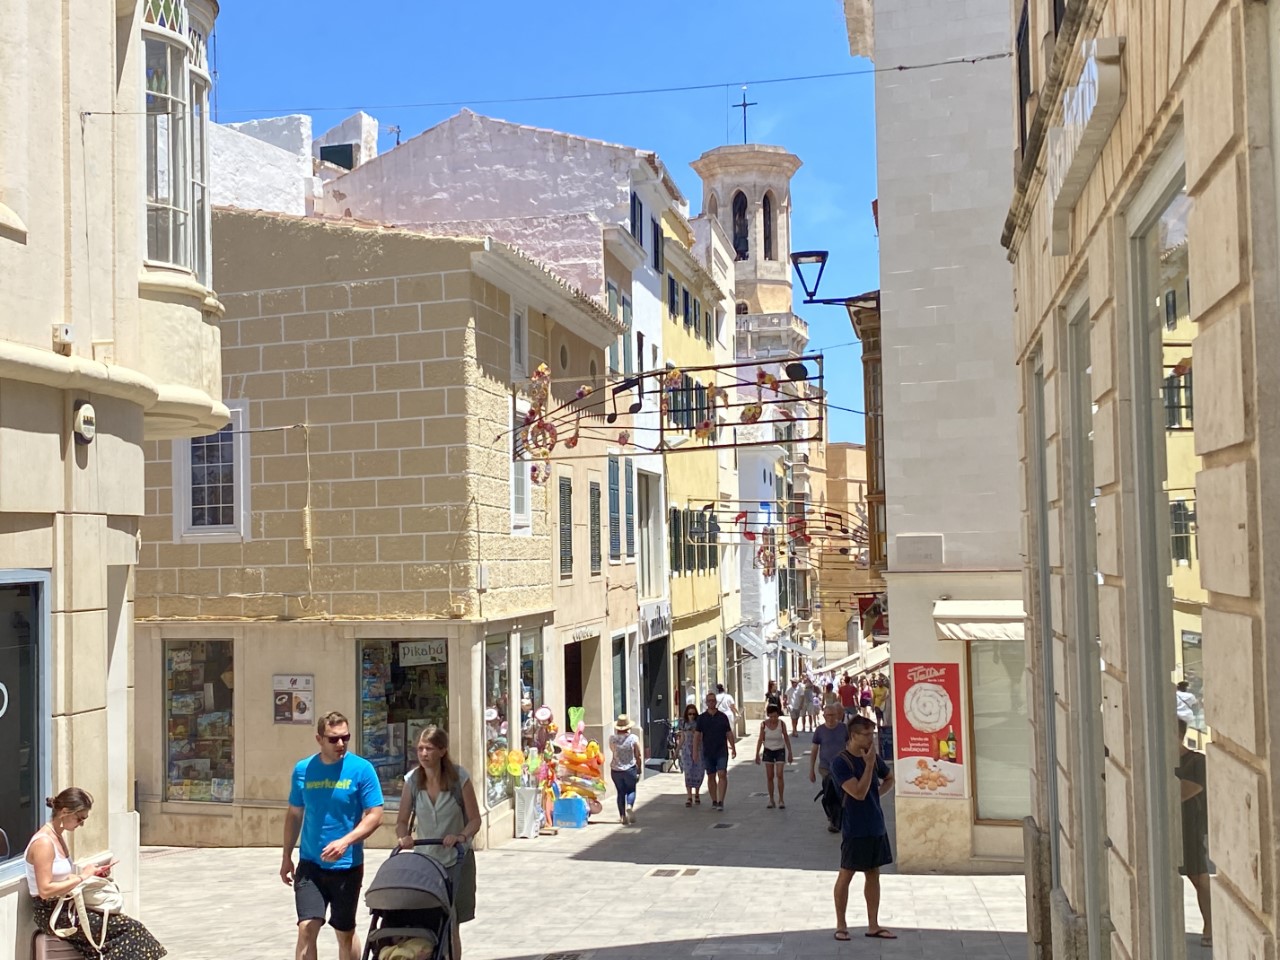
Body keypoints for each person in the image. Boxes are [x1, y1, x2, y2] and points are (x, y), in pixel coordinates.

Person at [282, 710, 385, 960]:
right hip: (310, 865)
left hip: (347, 867)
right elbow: (294, 814)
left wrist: (346, 841)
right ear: (319, 739)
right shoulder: (303, 770)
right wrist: (286, 856)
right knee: (306, 928)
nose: (340, 743)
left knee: (345, 933)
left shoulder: (362, 769)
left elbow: (375, 814)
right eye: (333, 739)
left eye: (345, 737)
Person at [24, 787, 166, 959]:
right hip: (52, 912)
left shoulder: (58, 837)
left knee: (127, 929)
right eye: (79, 818)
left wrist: (92, 875)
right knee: (130, 930)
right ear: (65, 812)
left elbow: (62, 878)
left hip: (67, 906)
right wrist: (82, 876)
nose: (81, 824)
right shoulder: (44, 843)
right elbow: (45, 890)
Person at [395, 726, 481, 960]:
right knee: (429, 918)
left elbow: (475, 820)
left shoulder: (459, 779)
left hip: (456, 860)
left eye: (429, 749)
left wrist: (461, 836)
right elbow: (401, 821)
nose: (423, 754)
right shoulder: (413, 781)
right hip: (427, 863)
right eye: (420, 749)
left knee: (452, 922)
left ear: (442, 751)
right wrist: (403, 837)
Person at [831, 717, 896, 942]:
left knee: (873, 872)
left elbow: (889, 778)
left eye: (872, 734)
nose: (871, 739)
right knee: (846, 873)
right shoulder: (841, 763)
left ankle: (873, 925)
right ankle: (841, 925)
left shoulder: (872, 757)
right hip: (854, 827)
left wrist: (877, 794)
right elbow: (858, 793)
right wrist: (868, 766)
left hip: (875, 824)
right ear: (854, 736)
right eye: (867, 735)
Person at [1176, 719, 1212, 947]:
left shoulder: (1197, 761)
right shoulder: (1159, 761)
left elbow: (1185, 791)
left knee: (1199, 878)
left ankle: (1209, 926)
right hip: (1168, 826)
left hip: (1190, 827)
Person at [810, 704, 851, 832]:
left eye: (833, 715)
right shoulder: (820, 730)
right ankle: (833, 818)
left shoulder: (844, 729)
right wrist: (811, 769)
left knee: (839, 793)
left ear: (837, 715)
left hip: (842, 766)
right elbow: (814, 750)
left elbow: (850, 746)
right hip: (825, 767)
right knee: (831, 790)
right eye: (828, 715)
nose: (830, 718)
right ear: (824, 716)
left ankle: (836, 818)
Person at [693, 691, 737, 811]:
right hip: (708, 751)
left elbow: (729, 733)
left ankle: (721, 801)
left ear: (716, 702)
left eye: (713, 701)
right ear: (706, 703)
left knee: (722, 774)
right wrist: (695, 751)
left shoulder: (722, 717)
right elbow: (697, 736)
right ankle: (714, 800)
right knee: (711, 776)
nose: (711, 703)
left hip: (721, 750)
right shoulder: (702, 718)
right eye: (709, 701)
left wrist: (733, 747)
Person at [754, 703, 794, 808]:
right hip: (768, 751)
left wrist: (790, 752)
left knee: (779, 774)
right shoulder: (763, 725)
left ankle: (781, 799)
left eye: (775, 716)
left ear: (778, 715)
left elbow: (786, 737)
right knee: (770, 776)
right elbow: (760, 739)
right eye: (771, 716)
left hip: (780, 750)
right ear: (768, 715)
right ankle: (771, 799)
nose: (773, 719)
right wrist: (757, 754)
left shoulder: (781, 724)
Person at [608, 715, 643, 824]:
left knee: (620, 792)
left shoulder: (612, 739)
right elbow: (638, 755)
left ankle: (622, 816)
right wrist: (639, 768)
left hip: (616, 769)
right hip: (630, 768)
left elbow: (612, 750)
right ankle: (629, 806)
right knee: (631, 790)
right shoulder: (633, 738)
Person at [678, 703, 706, 806]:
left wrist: (695, 732)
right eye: (690, 714)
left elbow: (702, 737)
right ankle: (689, 796)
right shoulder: (683, 723)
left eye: (694, 714)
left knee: (699, 772)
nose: (692, 716)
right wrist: (677, 750)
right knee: (688, 772)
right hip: (686, 751)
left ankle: (697, 793)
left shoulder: (699, 723)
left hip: (698, 750)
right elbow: (682, 738)